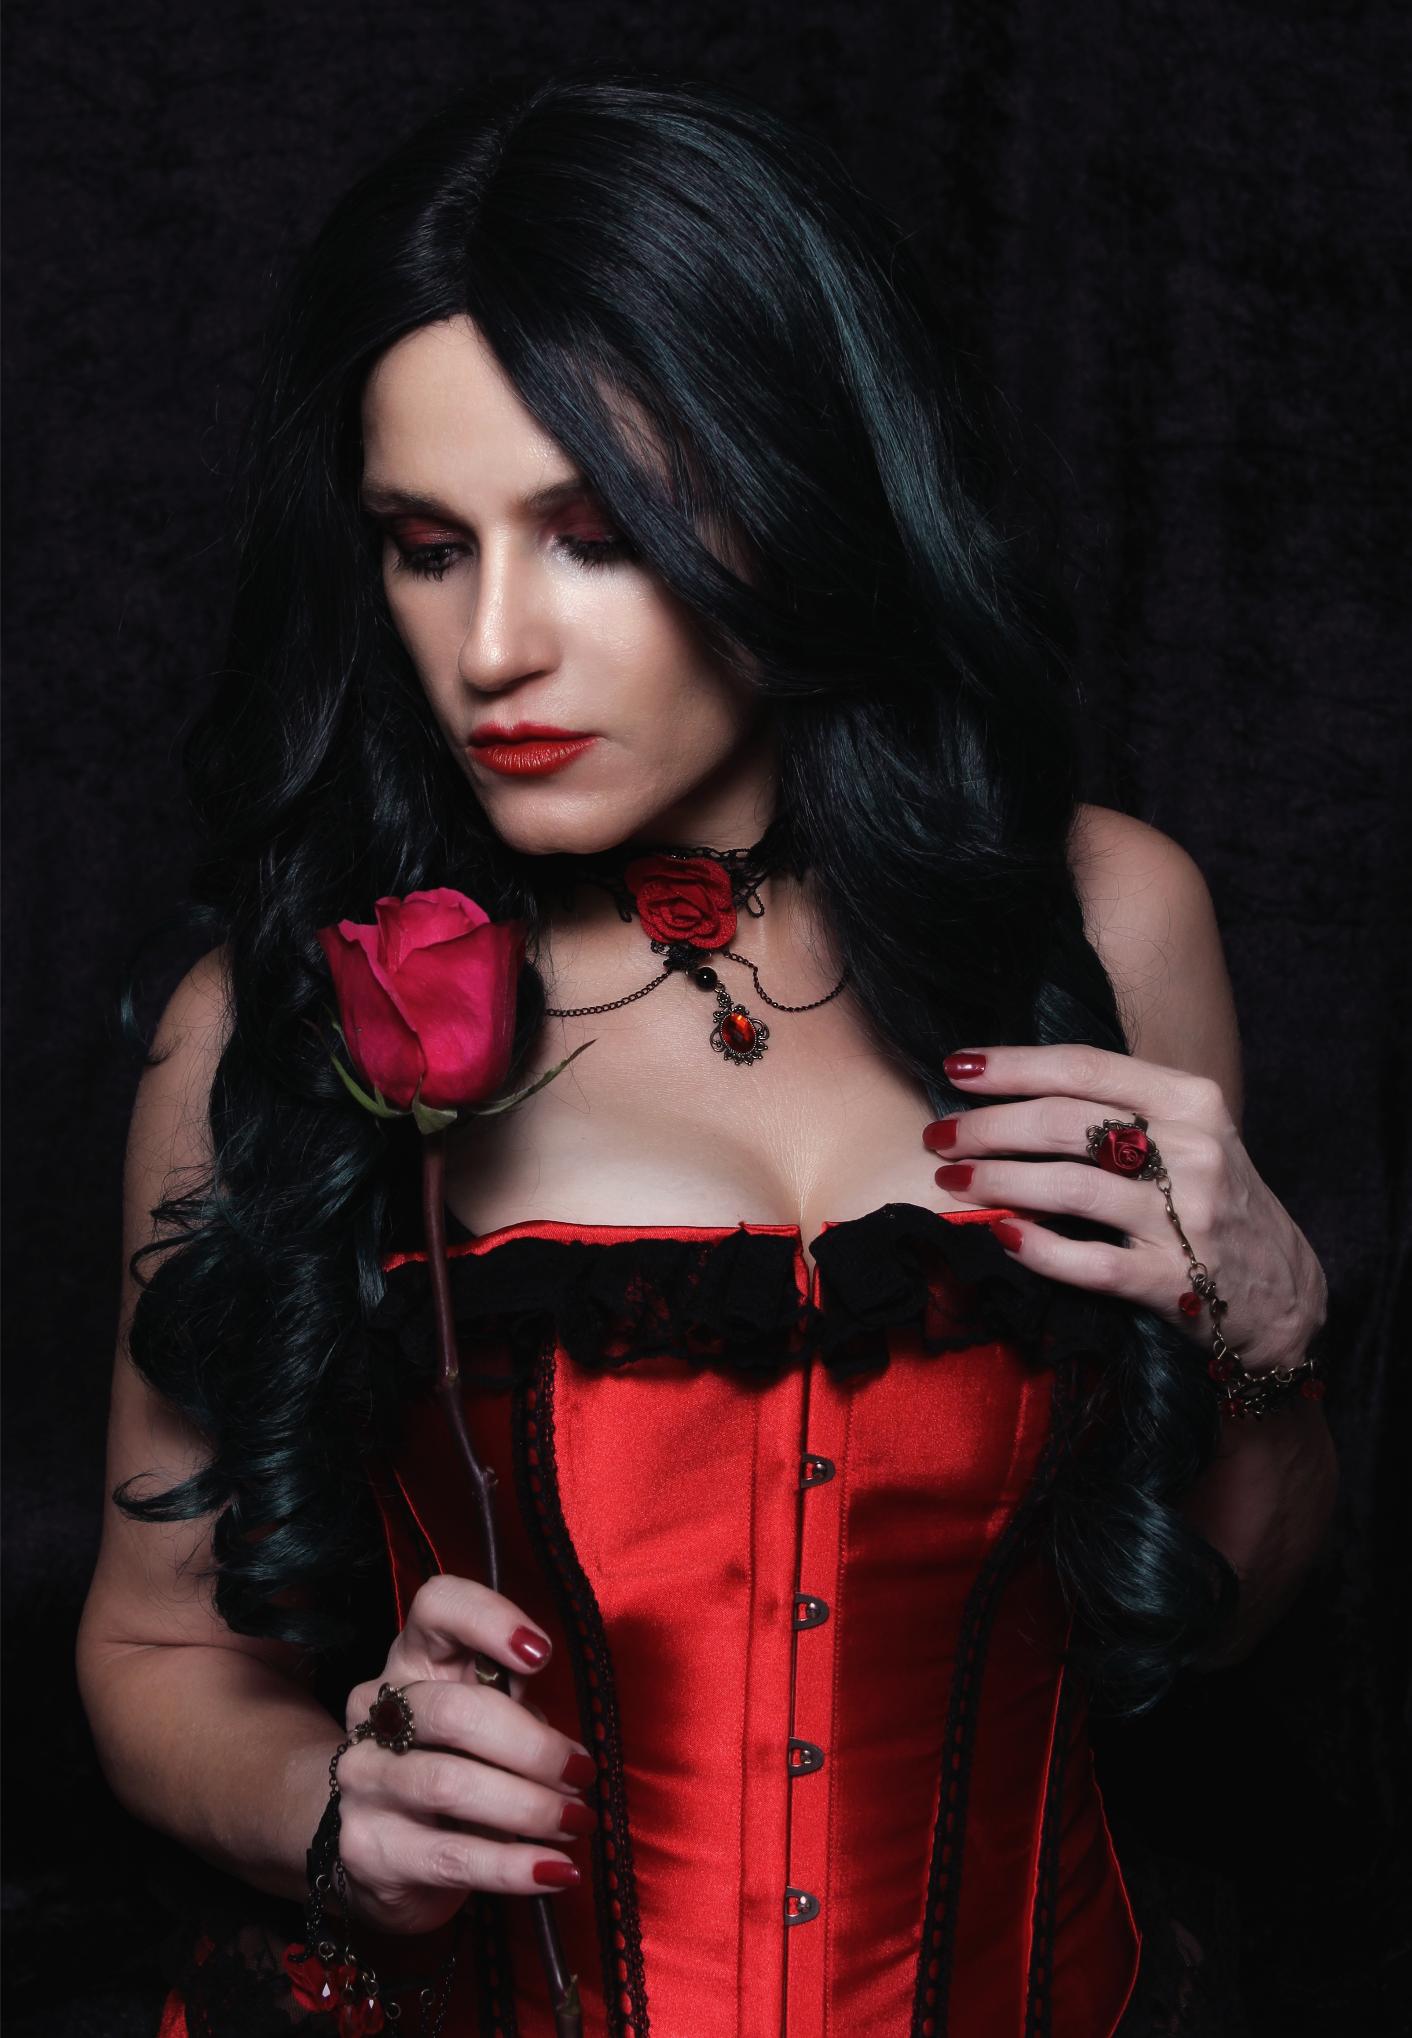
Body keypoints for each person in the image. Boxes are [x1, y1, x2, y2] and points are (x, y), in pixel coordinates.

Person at [75, 67, 1339, 2038]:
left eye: (590, 534)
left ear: (799, 498)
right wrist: (342, 1805)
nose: (492, 645)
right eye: (428, 544)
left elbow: (1202, 1606)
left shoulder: (1102, 924)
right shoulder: (288, 1016)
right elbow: (152, 1643)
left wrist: (1267, 1345)